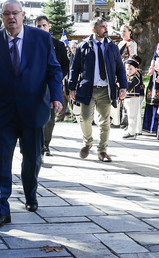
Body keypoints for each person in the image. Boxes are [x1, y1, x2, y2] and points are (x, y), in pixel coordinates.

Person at [0, 0, 63, 228]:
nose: (11, 18)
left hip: (33, 110)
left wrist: (56, 96)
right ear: (1, 17)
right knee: (1, 160)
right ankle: (1, 208)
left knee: (32, 158)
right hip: (3, 112)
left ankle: (30, 193)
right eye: (6, 14)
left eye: (15, 13)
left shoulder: (41, 38)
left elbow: (53, 70)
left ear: (23, 15)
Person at [69, 18, 128, 162]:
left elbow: (120, 69)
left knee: (104, 121)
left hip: (105, 90)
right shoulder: (83, 46)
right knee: (85, 119)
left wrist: (123, 86)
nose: (106, 29)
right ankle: (87, 143)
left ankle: (102, 151)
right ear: (94, 30)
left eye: (106, 26)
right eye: (102, 26)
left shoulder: (112, 47)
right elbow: (75, 68)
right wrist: (71, 87)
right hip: (87, 89)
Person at [35, 15, 71, 157]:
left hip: (51, 87)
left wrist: (56, 79)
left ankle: (45, 144)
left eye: (44, 25)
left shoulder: (58, 45)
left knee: (50, 118)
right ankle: (35, 143)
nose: (42, 28)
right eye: (39, 26)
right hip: (34, 86)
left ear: (49, 26)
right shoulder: (31, 44)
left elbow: (65, 65)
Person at [123, 58, 144, 139]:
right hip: (128, 98)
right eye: (127, 69)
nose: (128, 71)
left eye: (131, 69)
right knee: (129, 115)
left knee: (132, 116)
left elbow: (128, 87)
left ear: (136, 69)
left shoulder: (135, 78)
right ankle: (130, 131)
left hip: (133, 98)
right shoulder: (129, 77)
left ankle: (132, 133)